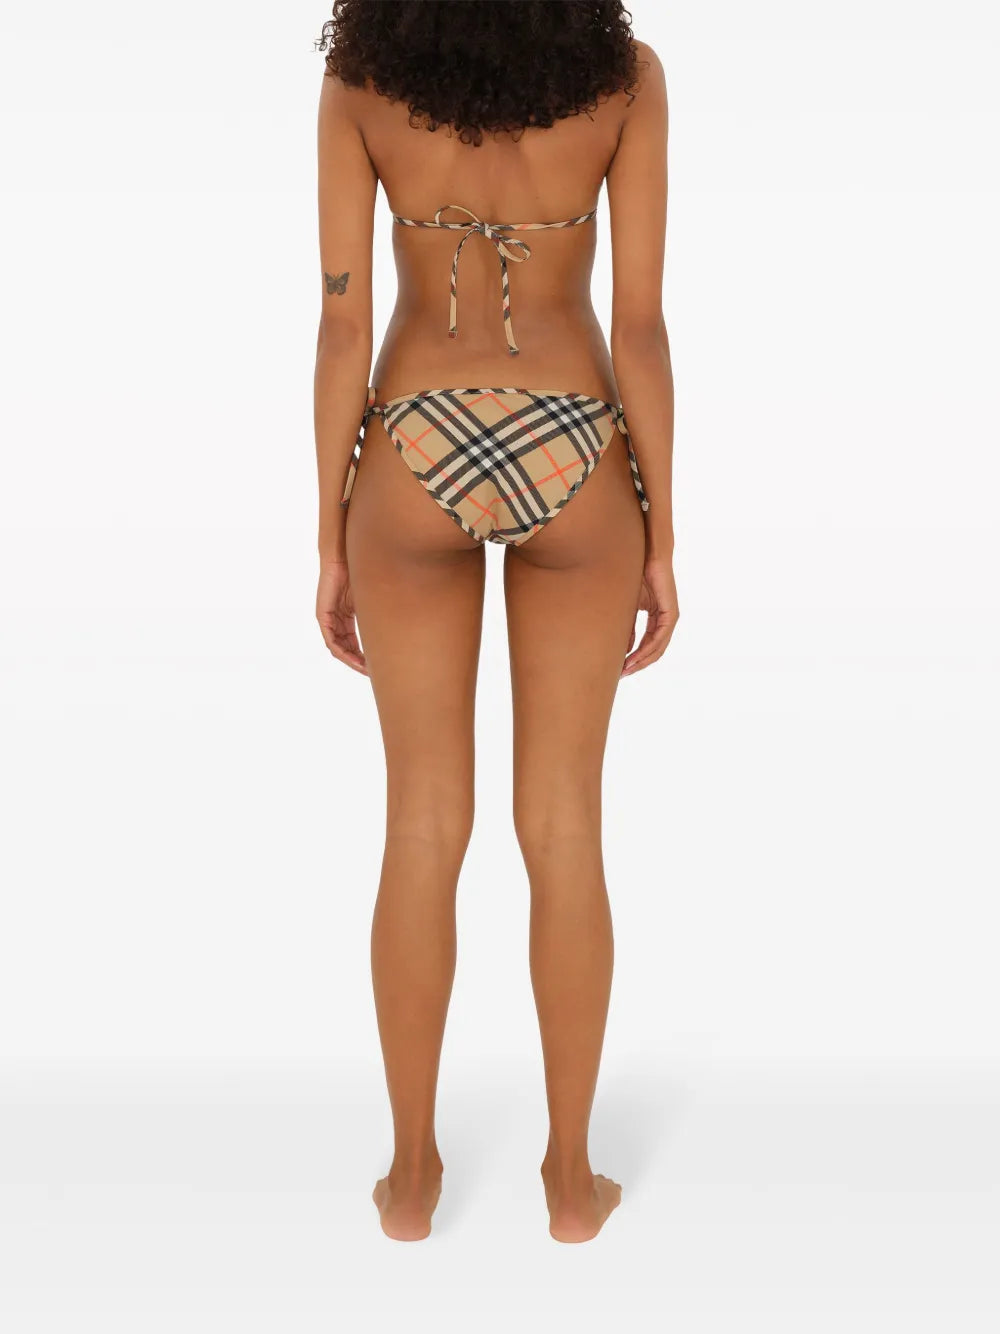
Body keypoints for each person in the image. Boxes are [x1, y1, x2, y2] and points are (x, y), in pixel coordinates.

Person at [312, 0, 677, 1243]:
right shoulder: (625, 78)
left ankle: (412, 1177)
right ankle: (571, 1180)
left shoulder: (362, 83)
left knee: (422, 820)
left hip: (410, 437)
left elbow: (342, 323)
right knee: (562, 823)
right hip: (577, 434)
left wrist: (329, 534)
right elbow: (638, 324)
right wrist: (661, 534)